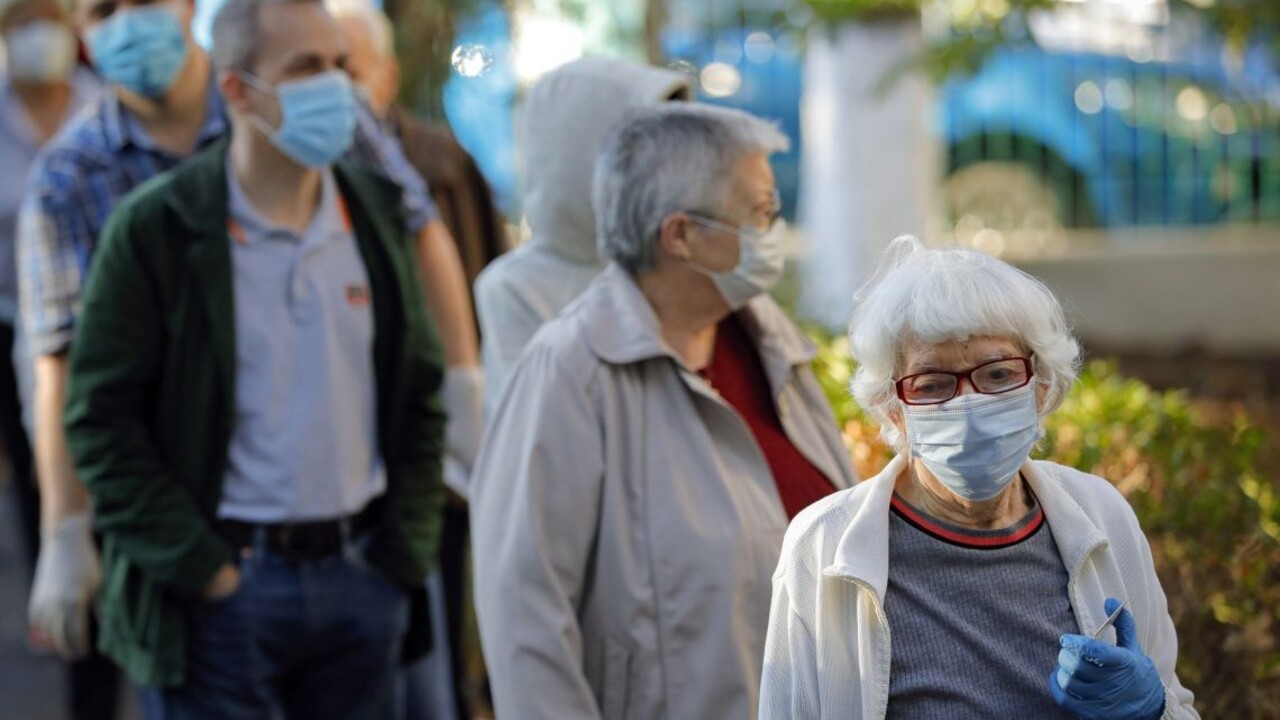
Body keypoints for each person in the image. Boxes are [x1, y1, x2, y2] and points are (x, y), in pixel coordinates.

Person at [17, 0, 468, 676]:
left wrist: (464, 387)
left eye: (146, 1)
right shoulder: (71, 176)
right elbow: (68, 369)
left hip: (353, 544)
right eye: (104, 8)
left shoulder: (313, 113)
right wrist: (67, 526)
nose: (129, 21)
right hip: (202, 542)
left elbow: (418, 228)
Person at [469, 103, 858, 720]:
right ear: (680, 235)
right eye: (760, 212)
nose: (774, 230)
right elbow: (526, 621)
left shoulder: (766, 336)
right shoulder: (571, 371)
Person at [758, 236, 1199, 719]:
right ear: (893, 407)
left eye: (997, 374)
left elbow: (1176, 706)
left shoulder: (1102, 514)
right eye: (932, 383)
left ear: (1040, 384)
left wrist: (1153, 709)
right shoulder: (823, 547)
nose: (969, 405)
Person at [326, 0, 503, 715]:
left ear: (387, 74)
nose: (335, 89)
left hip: (430, 428)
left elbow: (480, 267)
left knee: (441, 609)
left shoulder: (439, 164)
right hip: (351, 450)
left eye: (347, 68)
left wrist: (467, 392)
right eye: (316, 68)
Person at [473, 55, 689, 415]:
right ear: (583, 155)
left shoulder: (675, 260)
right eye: (640, 152)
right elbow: (537, 424)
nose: (660, 172)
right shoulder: (516, 287)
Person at [0, 0, 107, 716]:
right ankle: (59, 580)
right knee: (42, 468)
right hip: (19, 325)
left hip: (105, 330)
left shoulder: (102, 110)